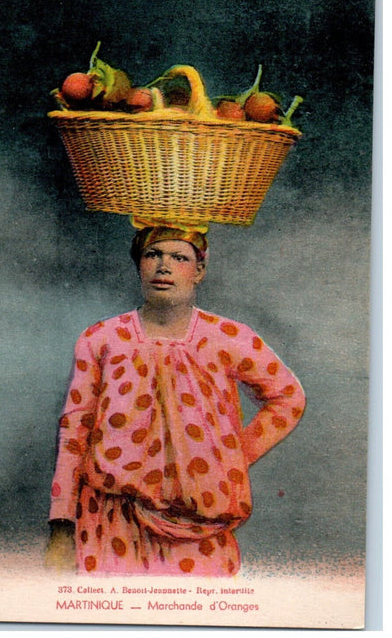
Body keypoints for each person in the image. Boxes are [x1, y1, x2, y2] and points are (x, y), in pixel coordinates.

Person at [45, 226, 306, 576]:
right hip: (111, 516)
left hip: (198, 518)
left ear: (199, 270)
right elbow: (75, 427)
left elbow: (288, 397)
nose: (163, 267)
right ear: (138, 264)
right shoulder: (102, 338)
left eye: (179, 257)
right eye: (153, 255)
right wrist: (61, 522)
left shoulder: (228, 337)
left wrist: (230, 457)